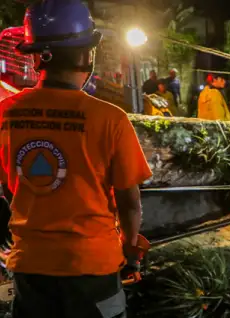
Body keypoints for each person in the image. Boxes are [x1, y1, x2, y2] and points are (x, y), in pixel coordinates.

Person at [0, 1, 152, 317]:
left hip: (31, 268)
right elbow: (130, 203)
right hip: (95, 269)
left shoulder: (5, 114)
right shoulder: (111, 119)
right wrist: (131, 251)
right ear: (86, 55)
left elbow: (9, 186)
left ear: (35, 56)